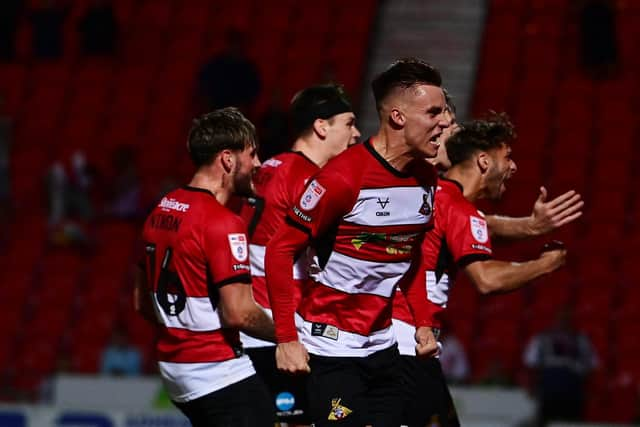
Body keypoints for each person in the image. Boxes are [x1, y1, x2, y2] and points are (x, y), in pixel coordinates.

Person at [264, 58, 449, 426]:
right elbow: (279, 250)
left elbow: (407, 256)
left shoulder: (426, 179)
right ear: (397, 117)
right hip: (330, 350)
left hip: (384, 347)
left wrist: (423, 322)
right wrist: (286, 338)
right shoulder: (342, 178)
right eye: (434, 113)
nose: (445, 122)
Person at [394, 113, 571, 426]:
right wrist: (543, 266)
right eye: (507, 157)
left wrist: (531, 227)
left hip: (395, 340)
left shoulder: (434, 196)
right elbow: (486, 279)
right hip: (408, 346)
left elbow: (482, 226)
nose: (513, 167)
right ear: (484, 162)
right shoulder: (459, 208)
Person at [134, 107, 276, 427]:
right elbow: (239, 313)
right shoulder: (222, 222)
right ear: (227, 159)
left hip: (175, 369)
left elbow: (141, 302)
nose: (257, 163)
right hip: (215, 370)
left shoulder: (161, 208)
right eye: (252, 154)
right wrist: (292, 336)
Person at [239, 83, 359, 425]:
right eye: (348, 123)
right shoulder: (310, 180)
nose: (356, 134)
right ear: (322, 127)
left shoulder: (268, 169)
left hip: (258, 327)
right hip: (286, 331)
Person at [523, 309, 598, 426]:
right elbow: (531, 364)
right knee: (546, 421)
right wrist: (531, 386)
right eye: (561, 319)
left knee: (571, 423)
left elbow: (591, 365)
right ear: (555, 320)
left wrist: (589, 389)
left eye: (567, 319)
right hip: (549, 388)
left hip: (573, 390)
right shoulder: (542, 338)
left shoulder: (581, 339)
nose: (563, 322)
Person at [197, 29, 261, 115]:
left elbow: (254, 89)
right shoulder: (216, 64)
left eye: (237, 44)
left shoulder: (248, 68)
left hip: (237, 111)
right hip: (215, 108)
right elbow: (204, 83)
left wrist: (244, 105)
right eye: (233, 44)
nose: (235, 47)